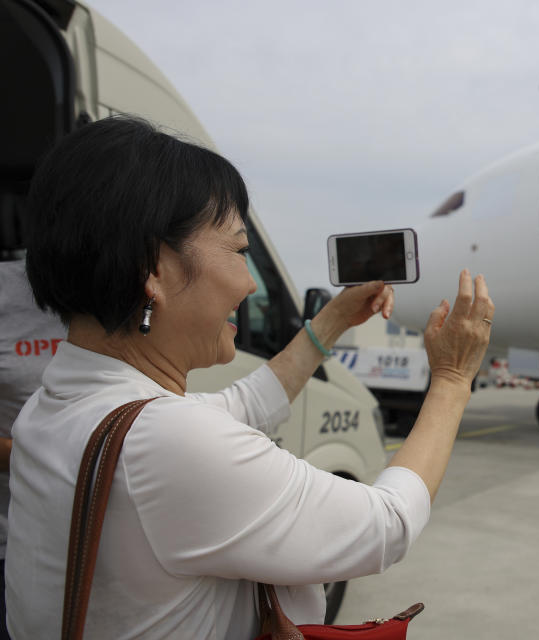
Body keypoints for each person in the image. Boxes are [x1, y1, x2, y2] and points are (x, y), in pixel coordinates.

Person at [5, 116, 494, 639]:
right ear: (154, 269)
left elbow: (245, 403)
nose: (250, 281)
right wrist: (451, 377)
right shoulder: (166, 442)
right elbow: (386, 525)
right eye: (239, 251)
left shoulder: (55, 406)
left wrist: (332, 321)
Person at [0, 258, 67, 640]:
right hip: (12, 542)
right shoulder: (7, 289)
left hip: (96, 540)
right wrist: (32, 454)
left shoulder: (125, 288)